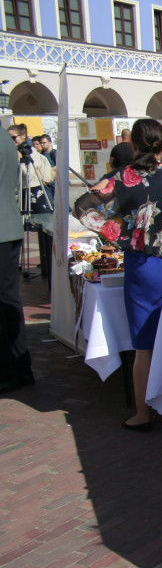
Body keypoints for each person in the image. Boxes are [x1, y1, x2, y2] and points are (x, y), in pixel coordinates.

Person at [73, 119, 162, 430]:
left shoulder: (123, 177)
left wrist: (121, 234)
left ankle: (142, 414)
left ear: (133, 146)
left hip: (143, 266)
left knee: (144, 346)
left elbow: (82, 208)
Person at [0, 131, 33, 393]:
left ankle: (10, 370)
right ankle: (21, 367)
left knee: (4, 305)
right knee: (8, 301)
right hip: (7, 226)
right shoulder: (5, 138)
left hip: (2, 231)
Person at [7, 124, 54, 214]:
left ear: (23, 136)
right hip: (21, 191)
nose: (11, 141)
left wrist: (19, 159)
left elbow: (29, 175)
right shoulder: (12, 152)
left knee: (38, 221)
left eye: (13, 138)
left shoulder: (31, 152)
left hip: (34, 190)